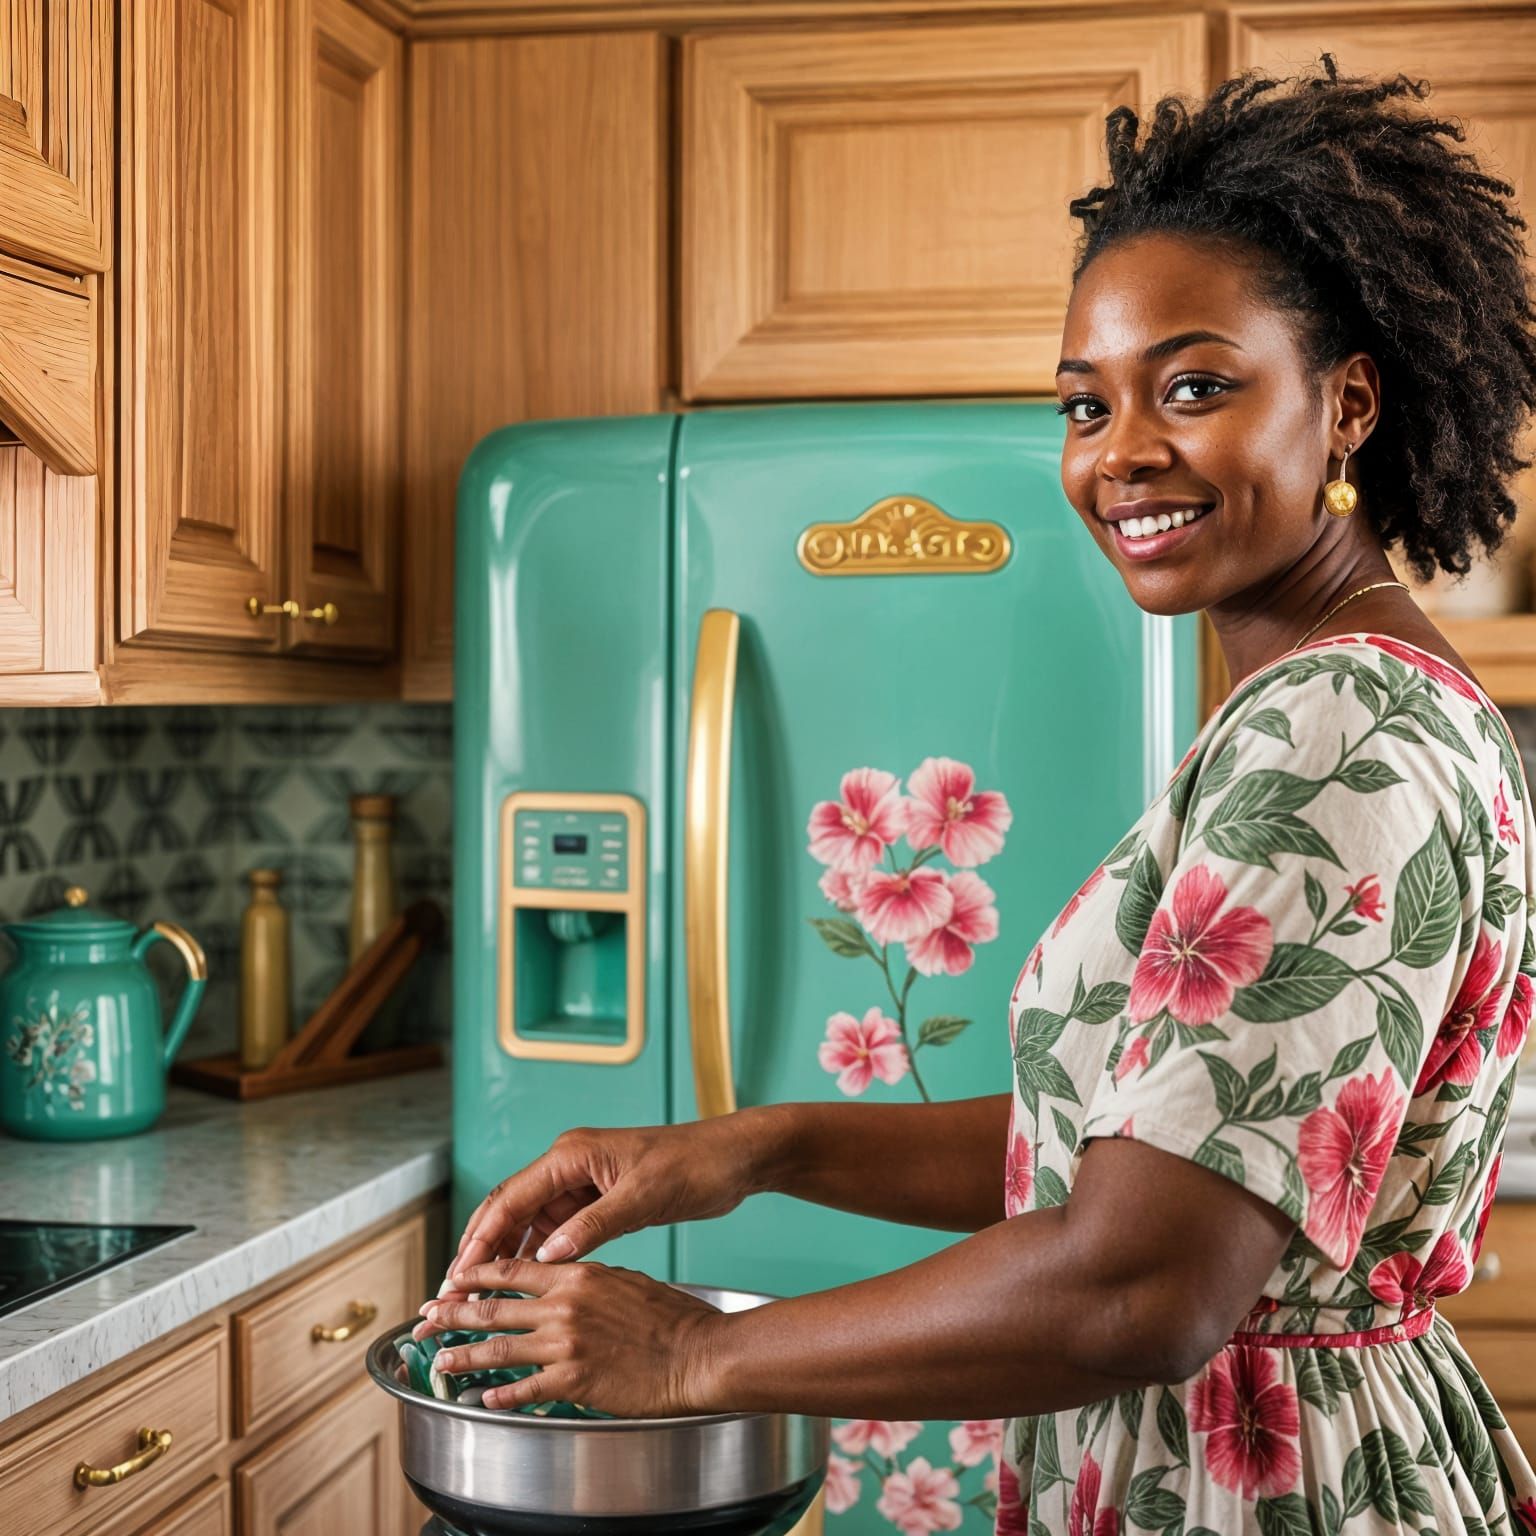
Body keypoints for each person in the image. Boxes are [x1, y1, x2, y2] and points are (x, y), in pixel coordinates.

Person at [417, 55, 1536, 1534]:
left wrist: (694, 1353)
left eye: (1194, 387)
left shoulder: (1334, 734)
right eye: (1086, 404)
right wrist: (754, 1148)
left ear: (1346, 404)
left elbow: (1138, 1281)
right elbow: (1131, 1161)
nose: (1122, 454)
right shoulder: (1343, 698)